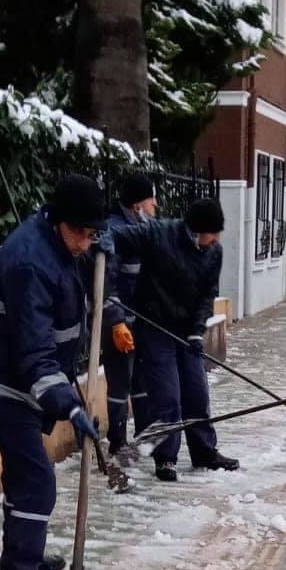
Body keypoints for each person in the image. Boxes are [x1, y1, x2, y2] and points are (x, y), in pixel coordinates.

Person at [0, 174, 108, 570]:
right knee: (36, 482)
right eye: (79, 233)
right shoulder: (31, 265)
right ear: (57, 221)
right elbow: (34, 356)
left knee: (25, 475)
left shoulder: (61, 241)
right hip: (4, 383)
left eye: (93, 234)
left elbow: (129, 229)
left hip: (17, 376)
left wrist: (107, 243)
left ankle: (24, 551)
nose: (85, 243)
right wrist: (68, 405)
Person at [110, 198, 240, 482]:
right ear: (195, 230)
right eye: (212, 232)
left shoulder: (213, 252)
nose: (216, 239)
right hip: (155, 329)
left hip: (187, 333)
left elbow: (208, 295)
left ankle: (204, 451)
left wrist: (197, 330)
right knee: (168, 399)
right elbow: (115, 234)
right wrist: (99, 239)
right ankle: (165, 458)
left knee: (197, 393)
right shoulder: (159, 234)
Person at [103, 174, 158, 456]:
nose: (156, 205)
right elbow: (106, 282)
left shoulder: (142, 228)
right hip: (120, 322)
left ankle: (145, 433)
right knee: (120, 380)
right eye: (151, 200)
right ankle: (117, 440)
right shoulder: (115, 232)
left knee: (141, 379)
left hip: (142, 321)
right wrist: (116, 321)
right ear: (137, 205)